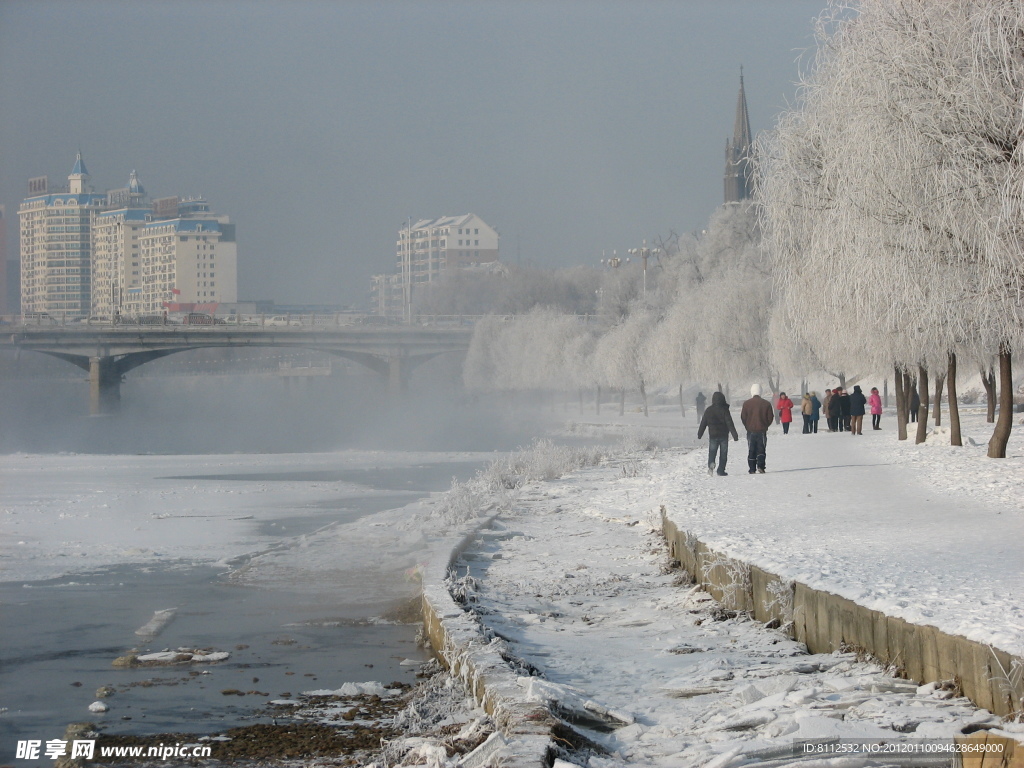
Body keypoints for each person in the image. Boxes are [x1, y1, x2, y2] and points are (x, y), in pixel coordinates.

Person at [696, 391, 739, 475]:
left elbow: (703, 423)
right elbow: (729, 423)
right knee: (723, 454)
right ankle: (721, 470)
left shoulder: (708, 410)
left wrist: (699, 434)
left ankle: (711, 464)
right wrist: (735, 435)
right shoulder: (724, 410)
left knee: (712, 451)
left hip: (713, 435)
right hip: (723, 436)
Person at [740, 383, 774, 474]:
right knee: (761, 449)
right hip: (762, 431)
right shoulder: (766, 404)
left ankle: (752, 468)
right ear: (761, 391)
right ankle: (761, 466)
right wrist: (765, 425)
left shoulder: (746, 404)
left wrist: (747, 426)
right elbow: (770, 417)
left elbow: (743, 417)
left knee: (751, 449)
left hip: (750, 431)